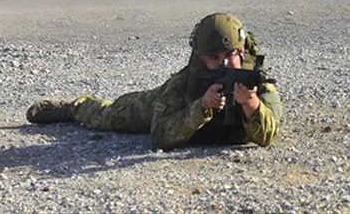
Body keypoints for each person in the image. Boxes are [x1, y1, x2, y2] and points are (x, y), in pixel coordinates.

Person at [26, 13, 283, 149]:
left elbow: (268, 136)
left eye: (230, 55)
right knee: (111, 114)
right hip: (161, 107)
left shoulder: (255, 82)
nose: (225, 64)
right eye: (214, 58)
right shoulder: (184, 82)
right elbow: (159, 136)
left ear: (241, 51)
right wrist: (201, 108)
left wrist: (251, 105)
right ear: (201, 57)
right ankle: (73, 108)